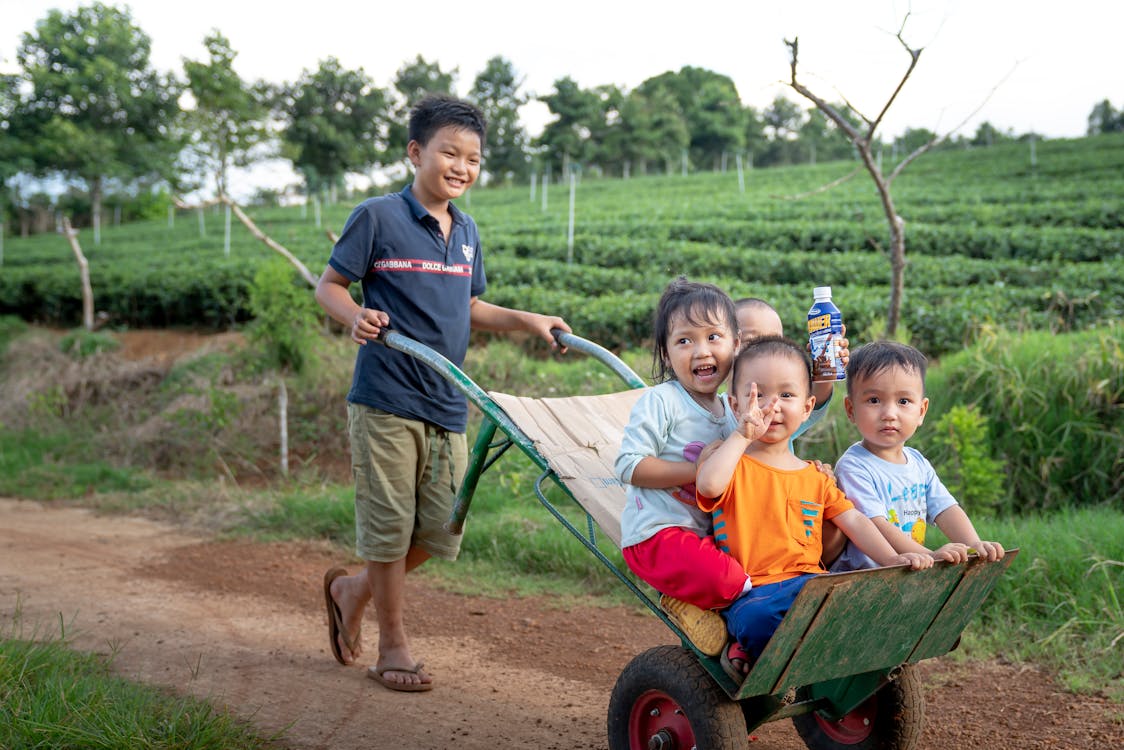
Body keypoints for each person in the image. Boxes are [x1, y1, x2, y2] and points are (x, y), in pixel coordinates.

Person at [315, 94, 570, 692]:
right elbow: (330, 286)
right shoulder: (377, 216)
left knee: (440, 532)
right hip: (385, 397)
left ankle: (353, 589)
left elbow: (470, 306)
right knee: (388, 525)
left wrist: (528, 318)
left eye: (473, 159)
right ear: (415, 152)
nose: (461, 166)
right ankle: (392, 645)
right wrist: (353, 315)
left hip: (447, 401)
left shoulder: (468, 231)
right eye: (448, 152)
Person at [694, 336, 933, 674]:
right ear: (735, 405)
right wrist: (741, 435)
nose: (771, 405)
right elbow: (708, 485)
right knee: (757, 619)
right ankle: (750, 648)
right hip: (755, 592)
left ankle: (821, 658)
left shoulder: (815, 476)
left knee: (850, 599)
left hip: (811, 584)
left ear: (807, 408)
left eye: (787, 395)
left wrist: (892, 559)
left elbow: (857, 523)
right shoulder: (731, 463)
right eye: (757, 394)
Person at [614, 277, 749, 656]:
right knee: (733, 581)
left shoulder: (732, 412)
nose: (700, 351)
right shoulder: (662, 401)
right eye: (684, 341)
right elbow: (629, 465)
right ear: (666, 353)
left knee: (764, 571)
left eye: (713, 337)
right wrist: (696, 471)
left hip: (708, 536)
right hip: (658, 536)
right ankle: (680, 601)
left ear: (736, 345)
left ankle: (738, 647)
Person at [830, 341, 1006, 572]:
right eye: (874, 400)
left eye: (903, 401)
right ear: (851, 409)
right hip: (862, 575)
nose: (889, 414)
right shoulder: (853, 466)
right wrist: (930, 555)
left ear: (921, 411)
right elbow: (876, 523)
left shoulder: (917, 462)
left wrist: (973, 544)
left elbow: (946, 509)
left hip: (905, 570)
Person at [733, 296, 847, 564]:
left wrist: (825, 362)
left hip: (788, 530)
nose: (766, 350)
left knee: (838, 510)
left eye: (775, 341)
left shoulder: (777, 412)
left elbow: (811, 399)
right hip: (744, 536)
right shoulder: (721, 413)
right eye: (752, 341)